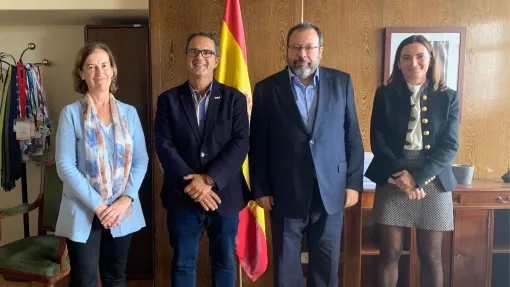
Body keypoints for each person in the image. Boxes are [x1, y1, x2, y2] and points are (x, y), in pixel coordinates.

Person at [249, 22, 364, 287]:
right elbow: (258, 144)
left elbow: (352, 135)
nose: (303, 53)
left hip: (331, 191)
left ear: (320, 50)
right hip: (284, 192)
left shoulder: (341, 82)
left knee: (325, 267)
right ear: (287, 50)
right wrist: (261, 188)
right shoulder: (267, 88)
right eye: (296, 47)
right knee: (285, 267)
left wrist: (353, 183)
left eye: (309, 47)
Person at [154, 32, 249, 287]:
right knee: (183, 263)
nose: (200, 57)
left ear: (216, 60)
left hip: (224, 196)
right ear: (186, 58)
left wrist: (208, 180)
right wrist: (194, 186)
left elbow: (240, 145)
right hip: (182, 196)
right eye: (194, 51)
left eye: (207, 52)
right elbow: (163, 145)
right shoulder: (168, 100)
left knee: (225, 262)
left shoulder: (234, 100)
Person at [365, 35, 460, 287]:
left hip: (434, 176)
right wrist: (402, 176)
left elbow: (450, 145)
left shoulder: (449, 96)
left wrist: (417, 178)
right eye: (406, 57)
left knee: (431, 255)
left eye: (420, 56)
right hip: (393, 175)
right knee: (389, 253)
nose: (413, 62)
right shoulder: (384, 94)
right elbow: (378, 139)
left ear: (430, 60)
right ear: (398, 63)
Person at [55, 42, 149, 287]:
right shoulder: (71, 114)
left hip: (121, 211)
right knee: (84, 279)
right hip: (84, 210)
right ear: (81, 73)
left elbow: (141, 160)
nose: (99, 73)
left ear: (113, 70)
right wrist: (99, 206)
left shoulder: (129, 113)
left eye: (104, 65)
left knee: (115, 277)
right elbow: (65, 166)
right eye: (91, 66)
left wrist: (125, 200)